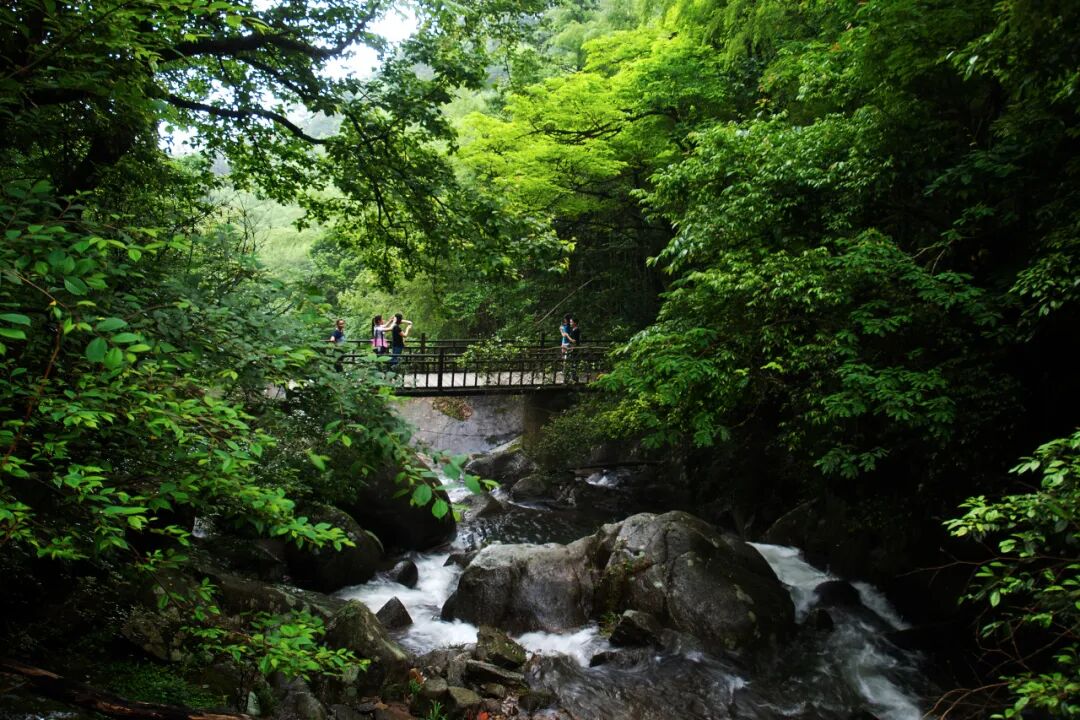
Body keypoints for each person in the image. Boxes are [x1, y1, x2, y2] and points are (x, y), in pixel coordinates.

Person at [566, 316, 581, 382]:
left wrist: (567, 336)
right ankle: (572, 377)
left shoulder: (576, 330)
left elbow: (574, 341)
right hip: (572, 348)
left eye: (571, 322)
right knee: (572, 362)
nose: (570, 323)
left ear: (575, 323)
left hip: (574, 349)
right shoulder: (573, 330)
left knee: (574, 362)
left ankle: (574, 378)